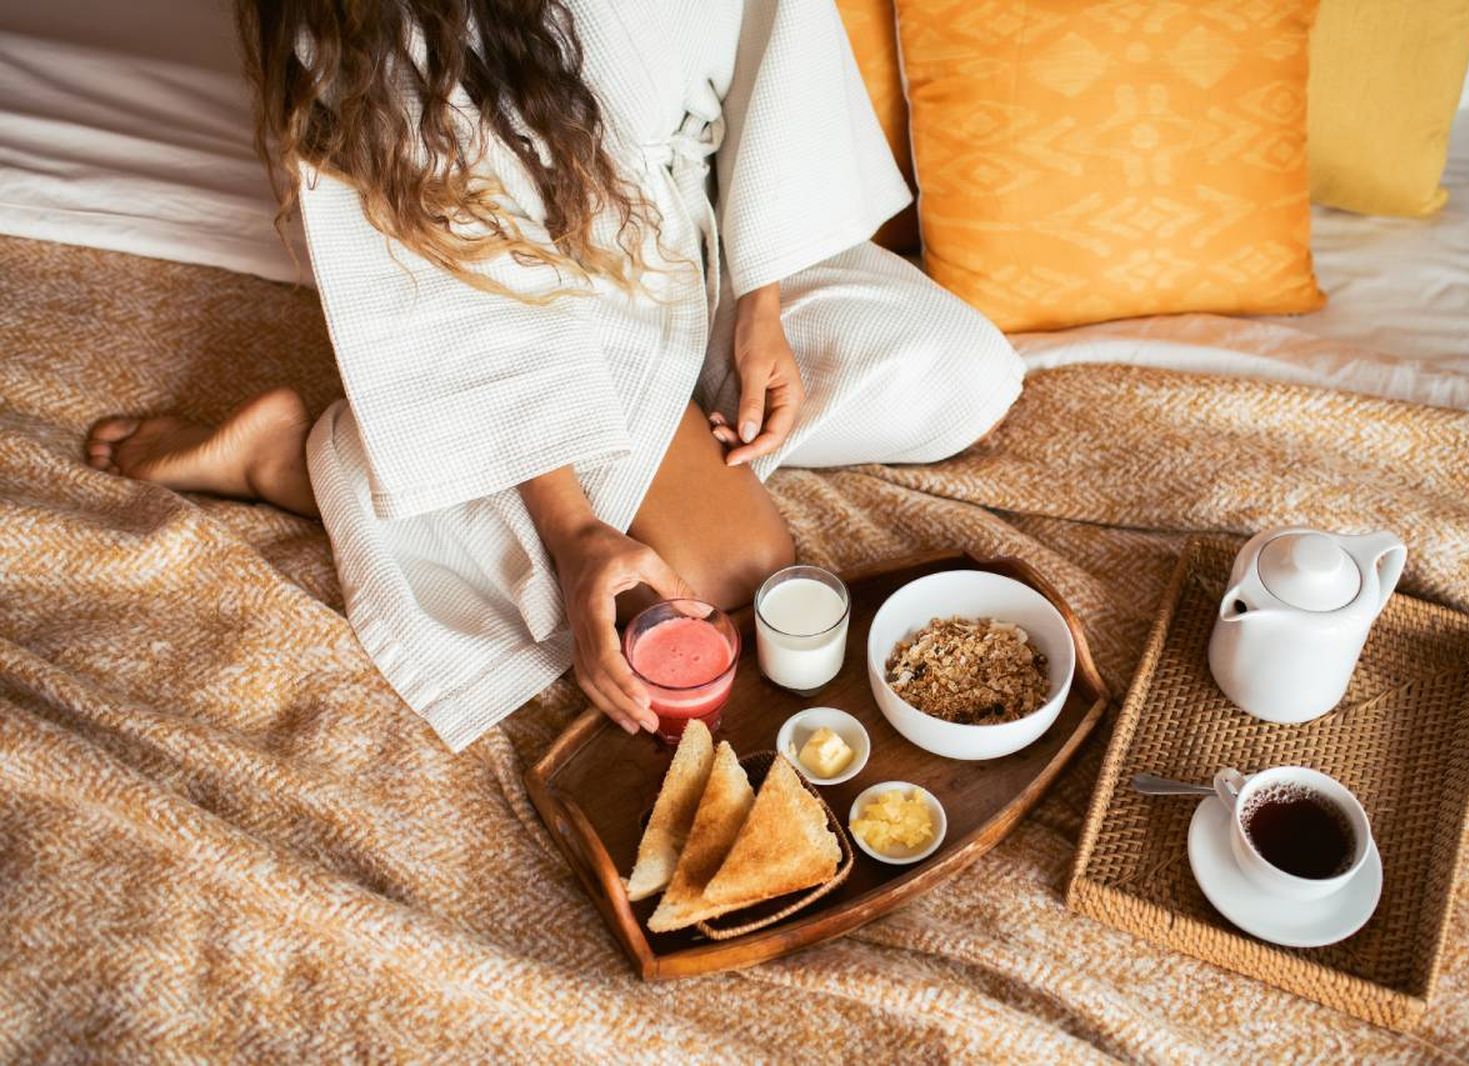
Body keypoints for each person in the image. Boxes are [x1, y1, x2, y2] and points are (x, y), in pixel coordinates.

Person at [82, 0, 1025, 751]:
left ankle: (593, 450)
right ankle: (298, 463)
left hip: (712, 233)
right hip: (544, 302)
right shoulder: (388, 27)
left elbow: (777, 65)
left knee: (965, 379)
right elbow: (463, 288)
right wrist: (576, 536)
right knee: (729, 574)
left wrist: (762, 307)